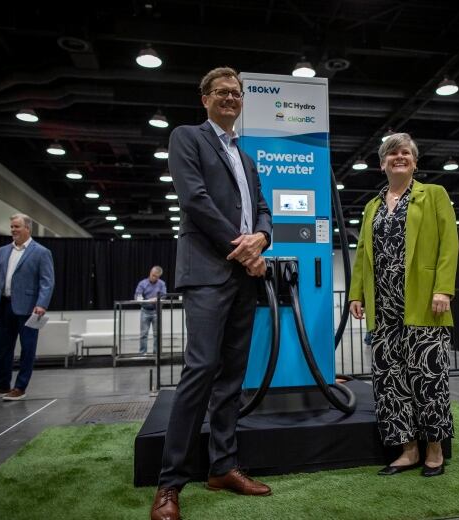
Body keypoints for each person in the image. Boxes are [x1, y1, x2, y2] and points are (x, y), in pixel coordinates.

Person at [150, 66, 273, 520]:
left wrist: (261, 237)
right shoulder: (187, 137)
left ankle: (223, 466)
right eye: (221, 92)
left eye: (236, 93)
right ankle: (169, 484)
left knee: (231, 379)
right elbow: (195, 200)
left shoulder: (247, 157)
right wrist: (243, 249)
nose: (230, 98)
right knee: (200, 371)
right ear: (205, 98)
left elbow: (262, 209)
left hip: (244, 279)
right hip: (207, 273)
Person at [349, 132, 459, 478]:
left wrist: (443, 289)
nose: (400, 157)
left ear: (414, 161)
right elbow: (362, 255)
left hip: (426, 304)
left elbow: (449, 244)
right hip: (384, 310)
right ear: (383, 163)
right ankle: (407, 450)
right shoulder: (373, 206)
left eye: (406, 153)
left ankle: (434, 450)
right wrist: (356, 294)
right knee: (390, 382)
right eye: (392, 153)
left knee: (429, 378)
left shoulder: (434, 195)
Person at [0, 214, 55, 401]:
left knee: (27, 348)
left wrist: (41, 304)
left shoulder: (41, 252)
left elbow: (47, 282)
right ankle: (2, 384)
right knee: (3, 347)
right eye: (11, 226)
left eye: (17, 227)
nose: (13, 230)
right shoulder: (2, 251)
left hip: (29, 308)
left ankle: (20, 387)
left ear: (28, 228)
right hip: (3, 306)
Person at [134, 266, 167, 355]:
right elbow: (137, 296)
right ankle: (142, 353)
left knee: (157, 334)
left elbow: (164, 296)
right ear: (150, 273)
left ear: (159, 276)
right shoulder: (142, 283)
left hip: (156, 311)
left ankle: (156, 354)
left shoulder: (161, 284)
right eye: (153, 275)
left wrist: (157, 299)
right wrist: (147, 300)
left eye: (156, 276)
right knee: (143, 334)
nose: (154, 277)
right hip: (145, 311)